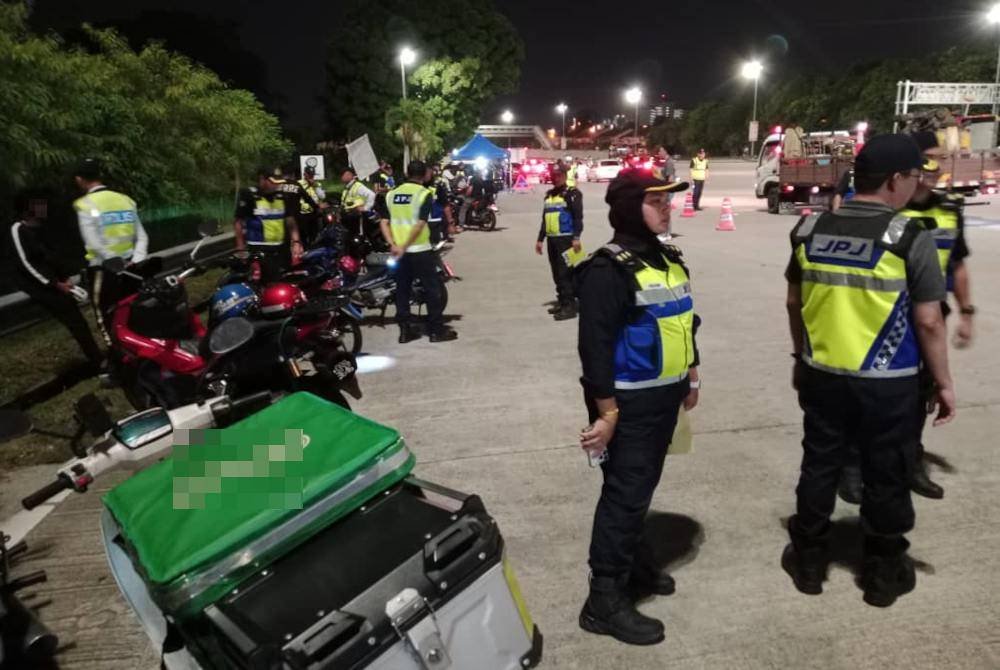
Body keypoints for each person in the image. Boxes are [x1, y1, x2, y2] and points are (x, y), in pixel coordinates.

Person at [782, 133, 956, 608]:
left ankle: (810, 562)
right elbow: (929, 320)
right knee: (888, 472)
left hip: (823, 375)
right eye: (914, 177)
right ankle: (882, 572)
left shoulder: (809, 230)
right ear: (896, 179)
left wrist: (801, 357)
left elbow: (795, 302)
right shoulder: (909, 239)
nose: (916, 186)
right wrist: (943, 383)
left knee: (820, 466)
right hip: (888, 383)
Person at [575, 167, 700, 646]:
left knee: (638, 490)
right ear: (630, 207)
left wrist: (692, 374)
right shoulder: (608, 269)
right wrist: (606, 414)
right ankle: (603, 600)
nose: (668, 207)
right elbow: (595, 349)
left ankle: (634, 565)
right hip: (629, 403)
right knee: (624, 496)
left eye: (668, 200)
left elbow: (687, 320)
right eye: (657, 200)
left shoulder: (666, 258)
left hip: (663, 397)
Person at [9, 194, 104, 369]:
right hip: (43, 287)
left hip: (56, 283)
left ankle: (98, 359)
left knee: (78, 322)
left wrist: (64, 276)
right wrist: (54, 284)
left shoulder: (39, 229)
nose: (43, 210)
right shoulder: (18, 229)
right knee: (75, 321)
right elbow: (25, 262)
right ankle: (97, 361)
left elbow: (50, 257)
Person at [378, 160, 457, 344]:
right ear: (423, 175)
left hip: (399, 253)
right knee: (432, 290)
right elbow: (420, 223)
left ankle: (405, 332)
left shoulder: (392, 194)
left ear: (407, 173)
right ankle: (436, 331)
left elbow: (383, 222)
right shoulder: (423, 194)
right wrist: (405, 246)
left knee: (402, 291)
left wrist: (393, 244)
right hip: (420, 250)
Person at [73, 158, 149, 345]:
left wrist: (114, 261)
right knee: (134, 310)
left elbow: (93, 241)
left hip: (103, 270)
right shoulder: (125, 200)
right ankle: (141, 348)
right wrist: (136, 260)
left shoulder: (85, 204)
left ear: (79, 179)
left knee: (106, 314)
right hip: (132, 267)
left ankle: (117, 354)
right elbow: (142, 237)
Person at [233, 167, 304, 282]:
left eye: (278, 183)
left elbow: (291, 222)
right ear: (262, 179)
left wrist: (296, 242)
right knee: (260, 282)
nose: (276, 186)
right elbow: (238, 222)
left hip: (279, 249)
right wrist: (240, 247)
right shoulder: (249, 195)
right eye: (273, 182)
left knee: (283, 280)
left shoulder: (282, 197)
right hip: (257, 250)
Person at [535, 165, 583, 320]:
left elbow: (578, 217)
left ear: (564, 175)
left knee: (565, 273)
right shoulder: (549, 195)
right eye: (553, 175)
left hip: (566, 239)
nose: (556, 177)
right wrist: (540, 239)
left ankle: (570, 306)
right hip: (552, 240)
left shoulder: (572, 194)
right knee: (556, 273)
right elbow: (545, 219)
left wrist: (576, 237)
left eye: (559, 175)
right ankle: (562, 302)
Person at [296, 165, 328, 247]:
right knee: (303, 236)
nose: (311, 176)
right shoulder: (299, 184)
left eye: (312, 175)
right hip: (302, 214)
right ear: (304, 174)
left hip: (314, 213)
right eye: (309, 174)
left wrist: (315, 186)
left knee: (314, 235)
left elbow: (322, 196)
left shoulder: (317, 184)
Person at [339, 168, 377, 236]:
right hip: (348, 216)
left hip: (357, 216)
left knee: (358, 235)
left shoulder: (358, 186)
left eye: (343, 175)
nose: (341, 177)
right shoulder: (347, 187)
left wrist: (365, 208)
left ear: (350, 175)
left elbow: (372, 195)